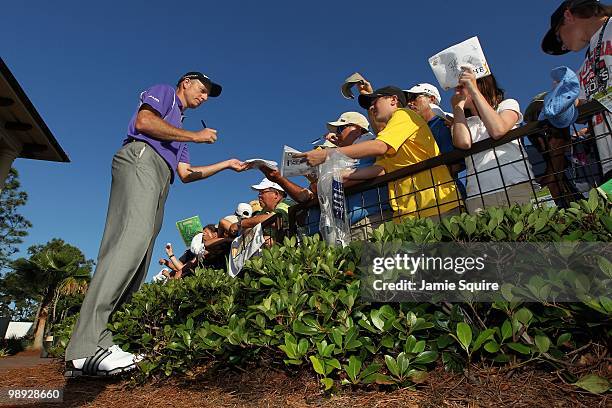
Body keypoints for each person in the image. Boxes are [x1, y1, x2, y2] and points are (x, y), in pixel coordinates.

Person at [64, 72, 247, 377]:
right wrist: (197, 137)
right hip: (141, 160)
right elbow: (143, 123)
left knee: (140, 257)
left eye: (207, 95)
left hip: (163, 177)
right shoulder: (164, 94)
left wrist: (226, 164)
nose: (203, 97)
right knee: (127, 245)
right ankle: (84, 348)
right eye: (202, 90)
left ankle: (102, 342)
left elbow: (187, 174)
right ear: (186, 82)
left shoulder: (179, 132)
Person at [299, 86, 461, 221]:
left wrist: (327, 155)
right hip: (408, 213)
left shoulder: (404, 115)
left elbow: (380, 146)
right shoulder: (393, 130)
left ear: (393, 100)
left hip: (437, 205)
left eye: (375, 101)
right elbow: (381, 168)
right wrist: (342, 175)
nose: (371, 107)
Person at [542, 0, 612, 181]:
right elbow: (580, 113)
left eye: (558, 37)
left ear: (568, 15)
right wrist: (564, 100)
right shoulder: (583, 67)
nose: (563, 47)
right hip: (608, 162)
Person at [451, 68, 536, 213]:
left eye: (461, 86)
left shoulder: (507, 105)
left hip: (516, 187)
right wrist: (457, 108)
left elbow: (498, 130)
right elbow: (463, 143)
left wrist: (473, 90)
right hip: (478, 196)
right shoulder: (462, 122)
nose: (456, 92)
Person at [404, 83, 467, 198]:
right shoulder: (418, 130)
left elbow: (455, 166)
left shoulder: (442, 123)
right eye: (408, 99)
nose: (409, 103)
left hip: (447, 196)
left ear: (432, 99)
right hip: (430, 197)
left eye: (415, 97)